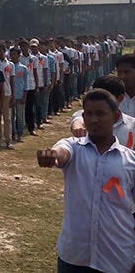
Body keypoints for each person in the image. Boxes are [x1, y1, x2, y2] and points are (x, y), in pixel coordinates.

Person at [36, 89, 135, 273]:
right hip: (73, 257)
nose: (93, 119)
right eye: (88, 114)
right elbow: (61, 152)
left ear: (115, 117)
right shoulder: (74, 147)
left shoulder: (130, 162)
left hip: (116, 258)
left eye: (100, 114)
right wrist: (52, 156)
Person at [9, 48, 29, 143]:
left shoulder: (23, 68)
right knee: (11, 117)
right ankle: (12, 133)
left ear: (18, 55)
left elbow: (26, 83)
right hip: (10, 96)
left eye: (14, 54)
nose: (12, 56)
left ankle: (20, 134)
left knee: (20, 116)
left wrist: (25, 95)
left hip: (20, 95)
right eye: (11, 54)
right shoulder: (8, 67)